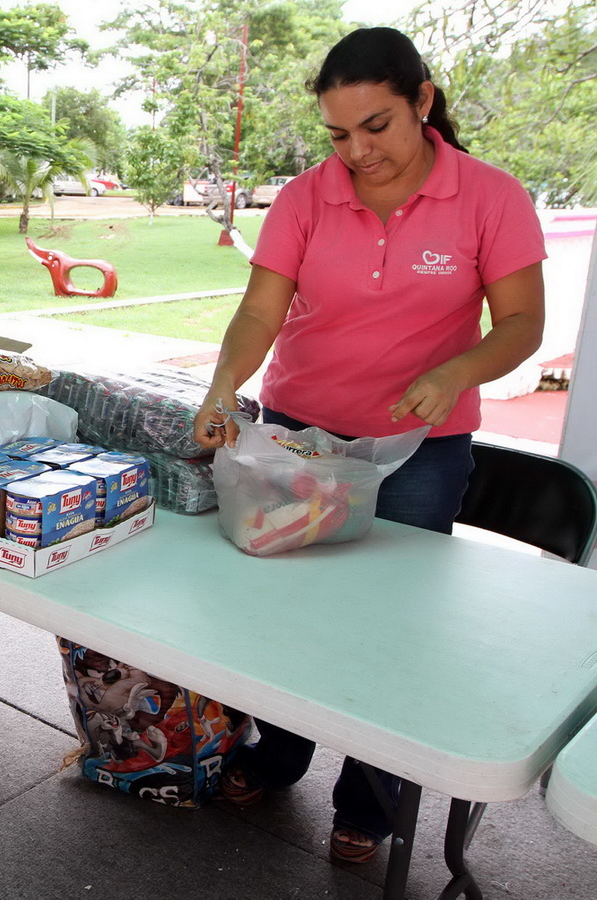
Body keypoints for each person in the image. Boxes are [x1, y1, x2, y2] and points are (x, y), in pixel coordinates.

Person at [191, 26, 546, 864]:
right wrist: (221, 386)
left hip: (418, 453)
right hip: (297, 440)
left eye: (377, 126)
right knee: (284, 612)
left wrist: (457, 370)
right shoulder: (308, 197)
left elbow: (522, 323)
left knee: (391, 632)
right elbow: (259, 312)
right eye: (339, 135)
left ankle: (369, 802)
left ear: (423, 101)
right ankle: (276, 756)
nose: (358, 151)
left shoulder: (491, 196)